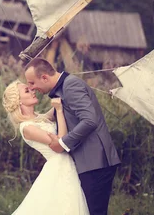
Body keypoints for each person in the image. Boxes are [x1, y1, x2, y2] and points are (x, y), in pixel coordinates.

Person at [24, 58, 121, 215]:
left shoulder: (70, 85)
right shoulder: (62, 89)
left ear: (44, 77)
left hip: (96, 161)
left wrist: (62, 143)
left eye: (32, 83)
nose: (32, 88)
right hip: (87, 163)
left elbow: (90, 120)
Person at [2, 80, 89, 215]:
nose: (33, 91)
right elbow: (61, 143)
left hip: (65, 165)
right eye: (27, 90)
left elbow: (54, 109)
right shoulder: (27, 127)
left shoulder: (38, 118)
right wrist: (59, 111)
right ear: (19, 101)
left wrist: (66, 91)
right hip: (59, 167)